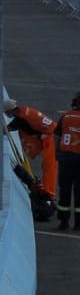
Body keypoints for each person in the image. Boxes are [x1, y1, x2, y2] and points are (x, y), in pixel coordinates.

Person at [56, 95, 80, 229]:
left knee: (64, 190)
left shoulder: (66, 117)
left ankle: (63, 222)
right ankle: (78, 223)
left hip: (65, 158)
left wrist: (57, 152)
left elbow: (57, 136)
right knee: (79, 192)